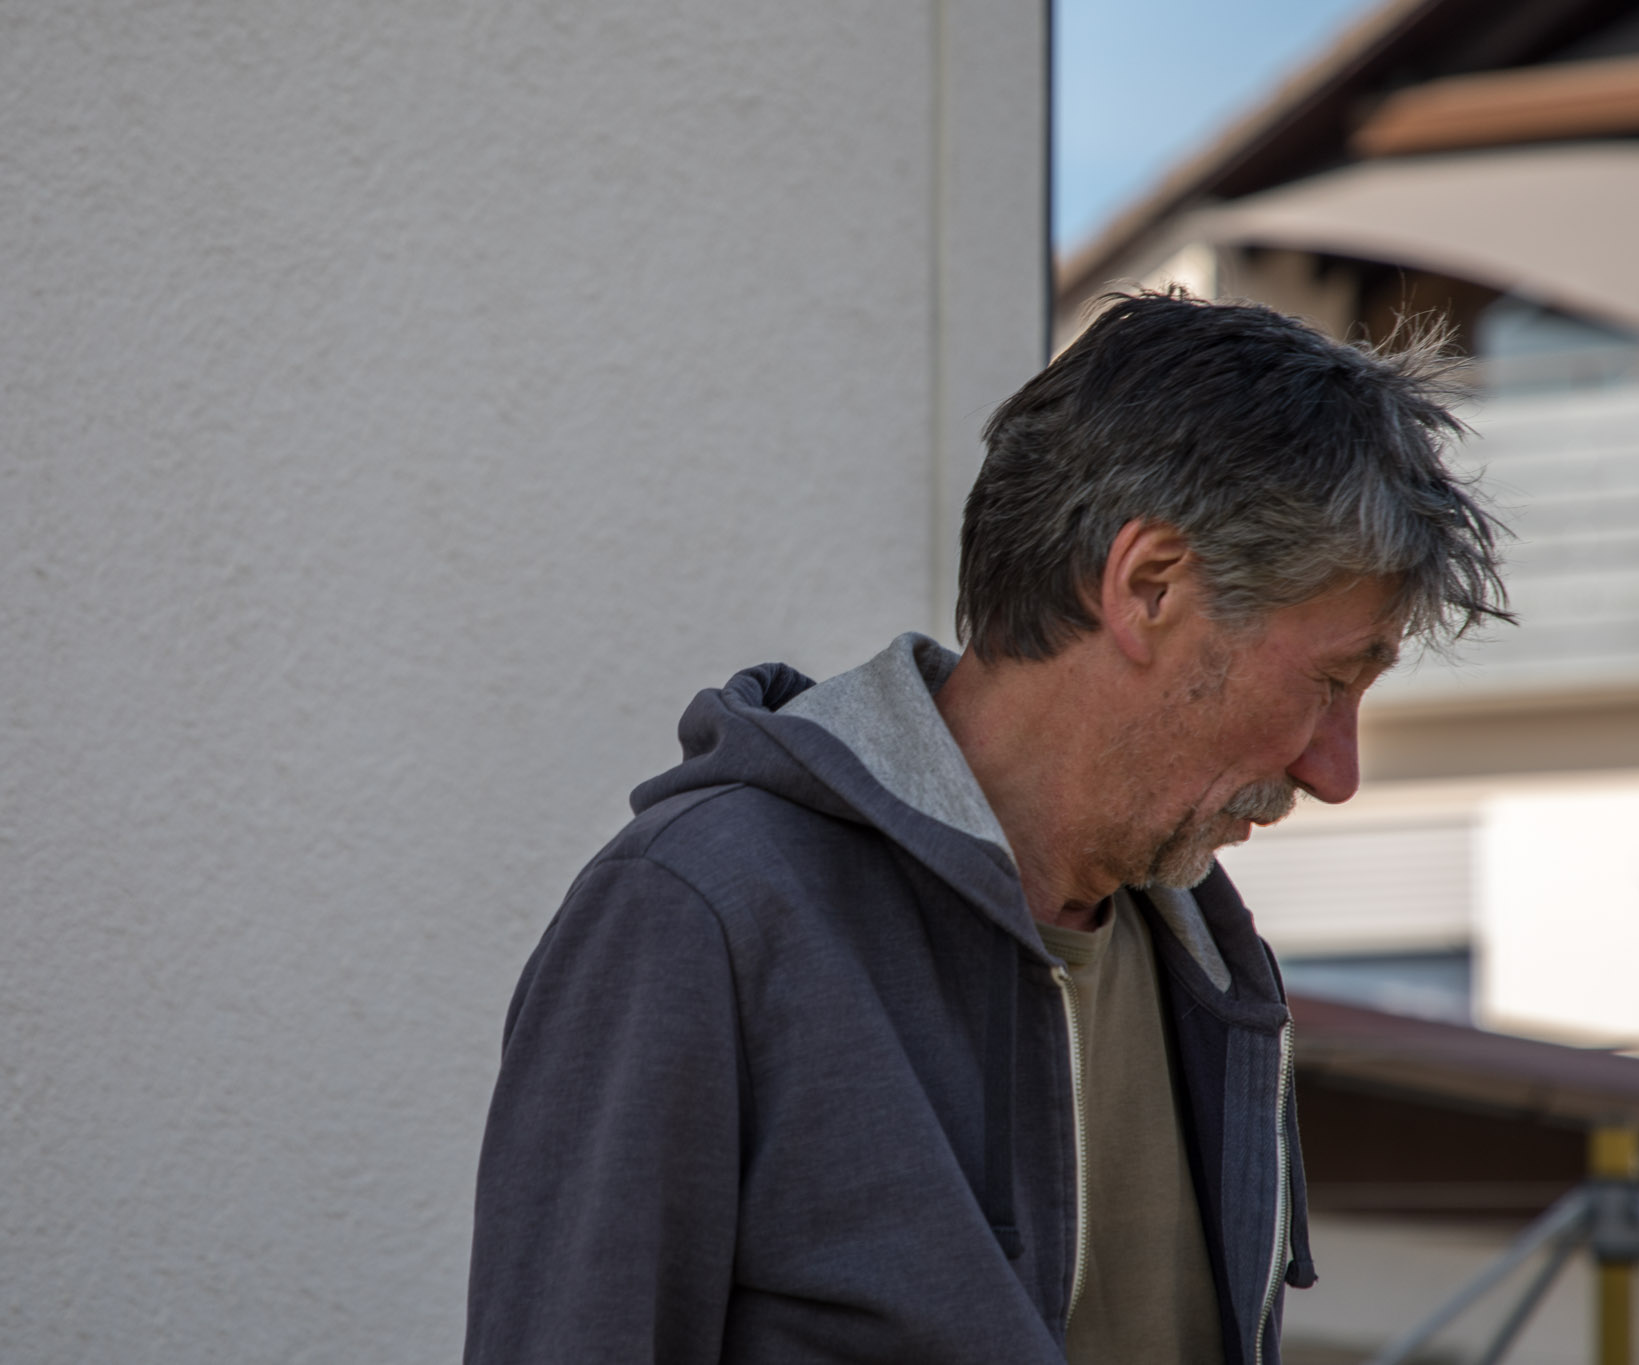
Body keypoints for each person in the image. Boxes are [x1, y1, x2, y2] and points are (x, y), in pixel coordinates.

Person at [463, 291, 1508, 1365]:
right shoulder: (698, 911)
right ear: (1148, 585)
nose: (1334, 773)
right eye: (1328, 682)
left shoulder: (1208, 956)